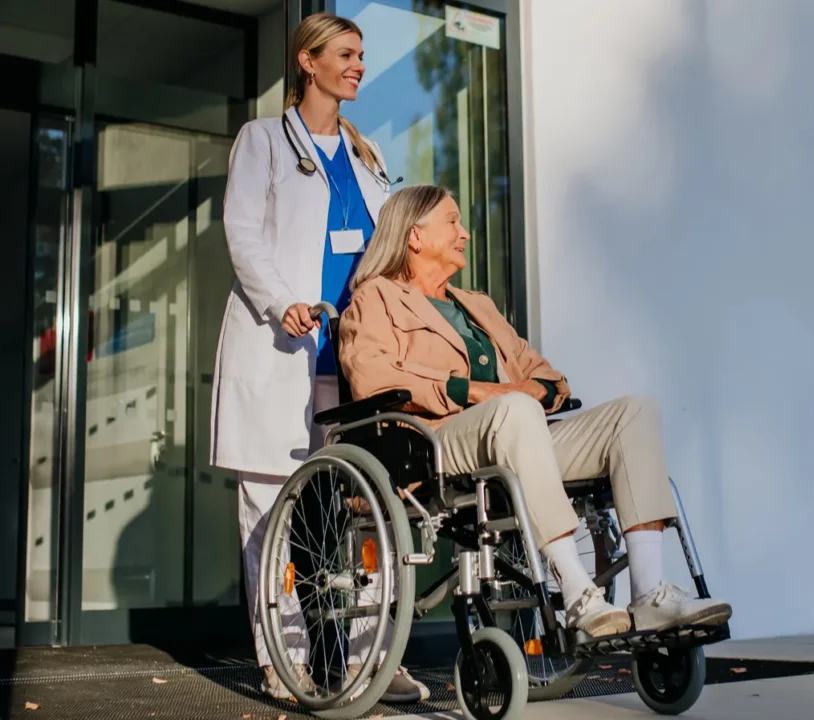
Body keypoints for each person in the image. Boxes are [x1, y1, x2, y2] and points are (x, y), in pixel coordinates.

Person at [338, 185, 733, 637]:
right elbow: (372, 376)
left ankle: (648, 593)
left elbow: (548, 379)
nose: (464, 234)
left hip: (516, 433)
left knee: (634, 413)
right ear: (415, 237)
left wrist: (532, 391)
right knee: (514, 410)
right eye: (452, 222)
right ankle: (580, 594)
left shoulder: (476, 306)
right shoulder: (376, 298)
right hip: (435, 442)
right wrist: (475, 392)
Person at [211, 12, 427, 703]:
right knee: (273, 511)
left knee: (363, 510)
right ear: (308, 62)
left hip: (349, 361)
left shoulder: (368, 160)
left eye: (363, 54)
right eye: (346, 53)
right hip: (283, 347)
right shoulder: (264, 141)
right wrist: (283, 303)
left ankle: (370, 659)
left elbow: (387, 256)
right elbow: (243, 234)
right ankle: (285, 658)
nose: (359, 64)